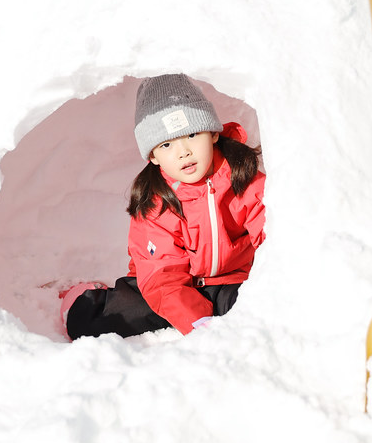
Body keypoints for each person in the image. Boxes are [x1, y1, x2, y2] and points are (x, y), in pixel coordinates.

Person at [64, 74, 266, 339]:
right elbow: (161, 276)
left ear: (213, 134)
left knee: (257, 310)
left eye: (192, 135)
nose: (183, 152)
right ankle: (85, 298)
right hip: (169, 286)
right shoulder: (155, 201)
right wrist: (199, 321)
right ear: (153, 156)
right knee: (99, 320)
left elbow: (271, 235)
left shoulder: (242, 178)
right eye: (167, 144)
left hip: (233, 281)